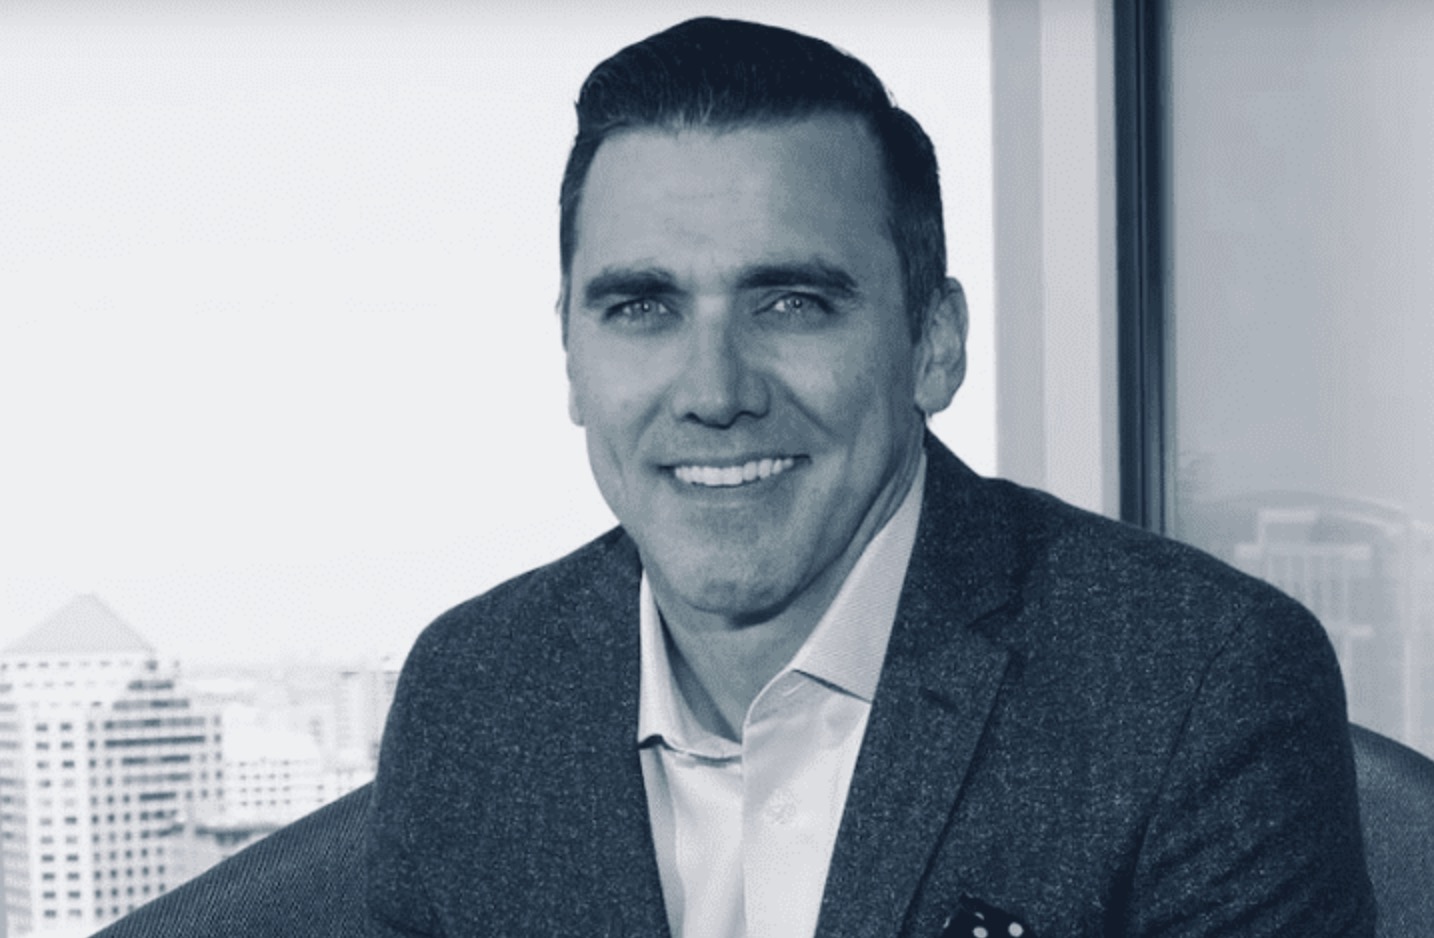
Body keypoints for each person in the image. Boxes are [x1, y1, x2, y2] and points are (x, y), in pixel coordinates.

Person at [97, 17, 1374, 937]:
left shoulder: (1195, 683)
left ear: (933, 343)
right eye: (642, 306)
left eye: (792, 301)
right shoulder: (476, 695)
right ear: (571, 357)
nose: (713, 387)